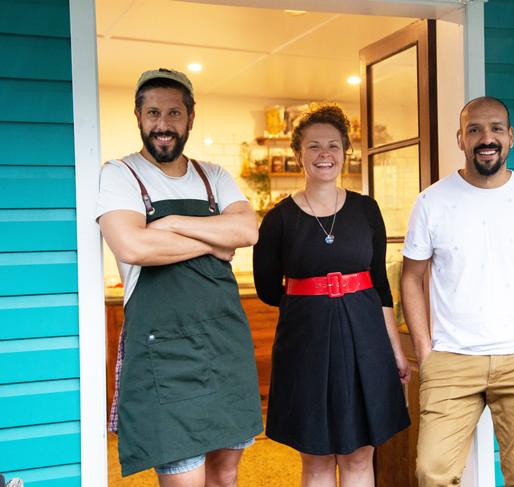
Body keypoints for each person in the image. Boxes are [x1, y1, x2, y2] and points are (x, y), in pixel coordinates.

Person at [97, 68, 263, 486]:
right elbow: (133, 247)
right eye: (153, 113)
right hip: (165, 356)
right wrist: (214, 240)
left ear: (191, 117)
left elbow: (246, 231)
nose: (163, 124)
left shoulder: (215, 176)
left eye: (174, 113)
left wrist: (168, 224)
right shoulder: (120, 175)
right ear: (138, 116)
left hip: (224, 347)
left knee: (225, 474)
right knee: (184, 477)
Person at [401, 96, 514, 486]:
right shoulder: (431, 202)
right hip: (451, 360)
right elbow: (411, 278)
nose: (486, 137)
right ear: (460, 139)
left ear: (510, 137)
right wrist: (426, 351)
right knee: (432, 472)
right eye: (474, 129)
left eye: (496, 128)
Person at [253, 104, 411, 487]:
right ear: (298, 155)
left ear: (345, 153)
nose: (324, 154)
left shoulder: (366, 210)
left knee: (360, 455)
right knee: (318, 458)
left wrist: (395, 347)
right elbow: (267, 289)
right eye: (313, 146)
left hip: (366, 336)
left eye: (334, 146)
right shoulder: (278, 219)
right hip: (306, 341)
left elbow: (379, 282)